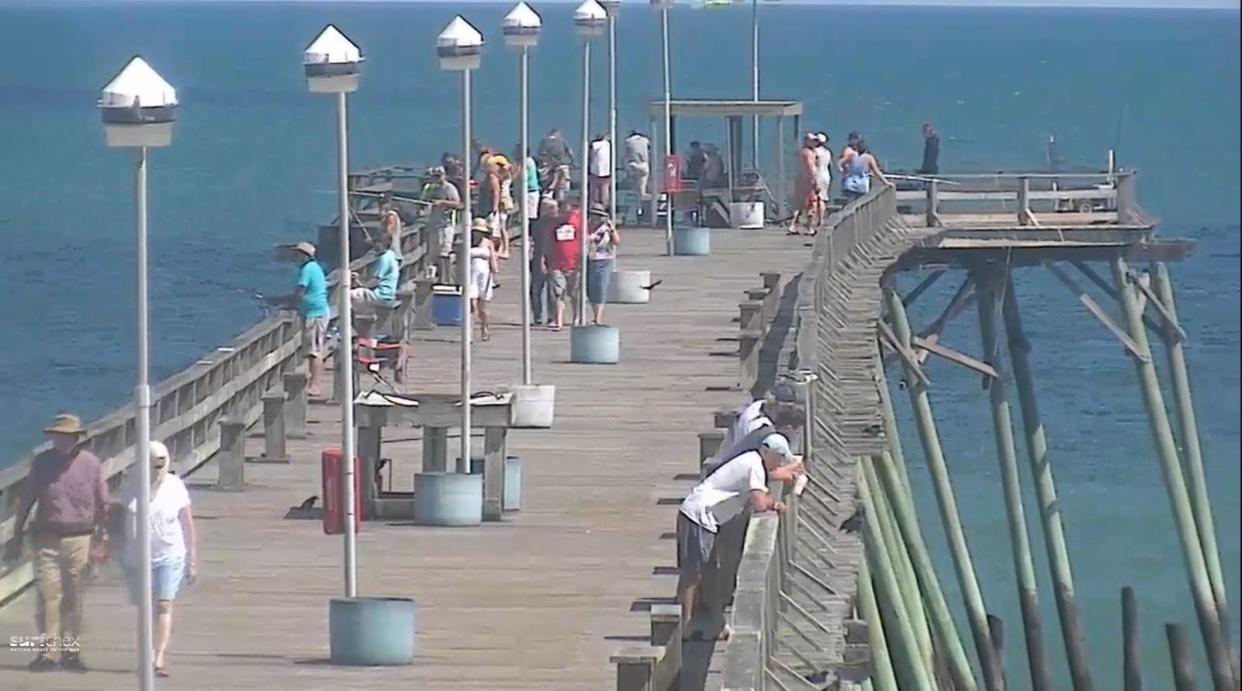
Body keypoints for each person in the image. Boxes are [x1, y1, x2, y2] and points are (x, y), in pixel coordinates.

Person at [6, 414, 110, 672]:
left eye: (65, 436)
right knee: (47, 596)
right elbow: (27, 498)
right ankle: (48, 653)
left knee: (74, 597)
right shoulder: (41, 463)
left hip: (80, 537)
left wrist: (104, 538)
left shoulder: (91, 464)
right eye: (56, 436)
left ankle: (71, 652)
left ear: (76, 438)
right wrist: (17, 533)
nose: (60, 440)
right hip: (46, 537)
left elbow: (103, 503)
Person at [676, 433, 803, 640]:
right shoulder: (754, 465)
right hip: (698, 515)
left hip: (709, 520)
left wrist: (776, 493)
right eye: (779, 458)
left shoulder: (754, 461)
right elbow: (760, 502)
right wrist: (775, 503)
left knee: (711, 573)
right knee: (693, 572)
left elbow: (763, 487)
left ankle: (717, 624)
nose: (780, 463)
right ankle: (686, 626)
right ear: (768, 453)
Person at [117, 440, 196, 678]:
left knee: (163, 603)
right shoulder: (131, 487)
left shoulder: (176, 486)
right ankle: (146, 652)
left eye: (161, 465)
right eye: (153, 465)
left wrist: (193, 559)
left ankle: (158, 656)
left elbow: (188, 524)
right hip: (137, 559)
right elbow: (121, 525)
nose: (157, 470)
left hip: (170, 554)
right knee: (144, 608)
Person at [265, 242, 329, 397]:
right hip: (315, 313)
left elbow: (299, 293)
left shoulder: (307, 269)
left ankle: (315, 386)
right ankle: (311, 383)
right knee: (312, 350)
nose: (294, 257)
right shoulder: (314, 268)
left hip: (315, 314)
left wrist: (281, 302)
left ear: (305, 256)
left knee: (314, 352)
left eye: (297, 254)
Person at [713, 382, 800, 465]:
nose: (787, 413)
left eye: (790, 409)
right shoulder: (758, 426)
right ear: (772, 404)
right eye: (783, 408)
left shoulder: (758, 405)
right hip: (734, 463)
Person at [544, 203, 582, 331]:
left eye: (568, 211)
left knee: (574, 293)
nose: (565, 214)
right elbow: (548, 242)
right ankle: (558, 320)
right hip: (556, 264)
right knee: (558, 293)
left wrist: (582, 261)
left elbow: (583, 240)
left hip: (574, 263)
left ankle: (576, 317)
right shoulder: (553, 223)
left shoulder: (578, 221)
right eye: (563, 211)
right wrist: (545, 260)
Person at [421, 165, 461, 282]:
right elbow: (423, 201)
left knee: (444, 252)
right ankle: (432, 278)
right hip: (433, 225)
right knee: (432, 254)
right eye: (435, 176)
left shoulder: (449, 188)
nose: (437, 178)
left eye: (439, 176)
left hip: (445, 225)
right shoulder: (431, 188)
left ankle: (445, 279)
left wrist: (442, 203)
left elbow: (457, 203)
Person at [585, 204, 620, 326]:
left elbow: (616, 242)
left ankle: (597, 317)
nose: (596, 218)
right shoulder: (585, 226)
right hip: (587, 259)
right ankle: (586, 314)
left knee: (600, 287)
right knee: (588, 288)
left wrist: (612, 230)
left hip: (604, 259)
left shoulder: (606, 227)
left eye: (599, 216)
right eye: (594, 215)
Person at [349, 234, 399, 315]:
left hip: (381, 295)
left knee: (347, 295)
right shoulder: (391, 254)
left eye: (377, 242)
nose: (374, 245)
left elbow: (374, 282)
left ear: (382, 244)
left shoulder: (384, 259)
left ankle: (345, 322)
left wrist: (359, 282)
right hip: (388, 294)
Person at [529, 197, 560, 326]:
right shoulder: (538, 224)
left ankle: (552, 316)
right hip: (540, 257)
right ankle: (538, 316)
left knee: (553, 290)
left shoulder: (559, 222)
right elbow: (539, 243)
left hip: (555, 258)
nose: (556, 210)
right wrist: (540, 259)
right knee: (537, 289)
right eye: (553, 208)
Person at [468, 218, 499, 342]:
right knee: (471, 304)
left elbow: (493, 259)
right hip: (470, 273)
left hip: (485, 275)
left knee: (483, 305)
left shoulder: (488, 243)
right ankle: (469, 331)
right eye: (475, 231)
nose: (477, 233)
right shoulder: (467, 242)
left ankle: (484, 328)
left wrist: (495, 274)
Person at [839, 137, 892, 202]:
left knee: (850, 203)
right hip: (862, 185)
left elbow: (841, 163)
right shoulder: (869, 158)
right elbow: (876, 171)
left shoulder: (852, 156)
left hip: (849, 183)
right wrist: (886, 182)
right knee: (860, 204)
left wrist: (844, 171)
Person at [789, 133, 819, 235]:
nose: (814, 143)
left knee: (798, 204)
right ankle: (809, 227)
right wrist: (815, 181)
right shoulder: (809, 153)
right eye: (812, 140)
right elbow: (811, 168)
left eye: (815, 141)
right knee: (811, 204)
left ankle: (793, 225)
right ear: (806, 141)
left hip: (799, 180)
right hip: (808, 182)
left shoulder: (801, 152)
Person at [538, 129, 574, 204]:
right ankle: (560, 205)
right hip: (562, 166)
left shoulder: (544, 142)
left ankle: (548, 205)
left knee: (548, 188)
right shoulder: (562, 141)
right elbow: (570, 152)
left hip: (550, 168)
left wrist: (543, 164)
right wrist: (572, 162)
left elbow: (542, 155)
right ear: (557, 133)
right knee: (561, 189)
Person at [812, 133, 834, 231]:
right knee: (823, 198)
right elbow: (830, 165)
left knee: (816, 199)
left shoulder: (815, 152)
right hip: (826, 175)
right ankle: (821, 219)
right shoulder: (828, 152)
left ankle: (816, 219)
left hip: (817, 175)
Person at [623, 130, 651, 201]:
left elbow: (625, 155)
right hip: (643, 165)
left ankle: (638, 203)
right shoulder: (645, 140)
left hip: (633, 165)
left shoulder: (627, 141)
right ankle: (642, 196)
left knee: (635, 187)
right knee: (642, 185)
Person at [588, 133, 612, 211]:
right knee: (605, 190)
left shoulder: (594, 145)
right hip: (606, 171)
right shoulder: (606, 145)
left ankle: (594, 205)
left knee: (594, 190)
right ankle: (605, 207)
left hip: (594, 171)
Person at [378, 197, 403, 265]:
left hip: (391, 254)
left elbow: (389, 233)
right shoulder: (393, 215)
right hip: (392, 253)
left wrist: (378, 243)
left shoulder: (390, 217)